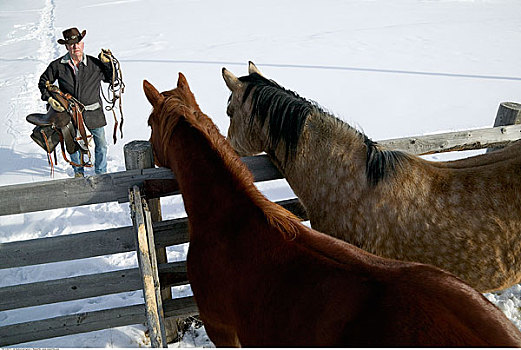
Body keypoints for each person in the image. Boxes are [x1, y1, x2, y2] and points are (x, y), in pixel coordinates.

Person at [38, 27, 115, 177]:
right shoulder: (58, 65)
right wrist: (49, 97)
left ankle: (101, 172)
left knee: (101, 145)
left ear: (82, 44)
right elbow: (43, 82)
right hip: (70, 112)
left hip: (94, 112)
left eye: (78, 42)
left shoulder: (94, 63)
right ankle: (78, 172)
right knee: (72, 145)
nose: (75, 46)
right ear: (66, 46)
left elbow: (111, 79)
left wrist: (107, 63)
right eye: (71, 44)